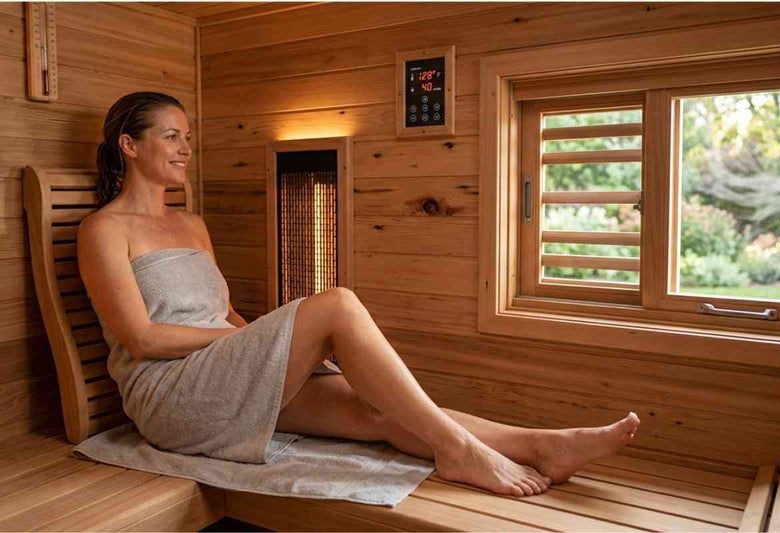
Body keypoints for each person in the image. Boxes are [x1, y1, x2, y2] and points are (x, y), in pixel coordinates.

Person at [78, 91, 640, 499]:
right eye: (171, 136)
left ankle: (542, 445)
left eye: (187, 137)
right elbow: (141, 339)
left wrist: (272, 346)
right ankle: (461, 451)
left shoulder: (191, 224)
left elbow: (224, 314)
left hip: (222, 372)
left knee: (379, 409)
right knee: (337, 304)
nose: (186, 148)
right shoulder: (104, 230)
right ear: (129, 145)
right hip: (171, 397)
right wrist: (261, 340)